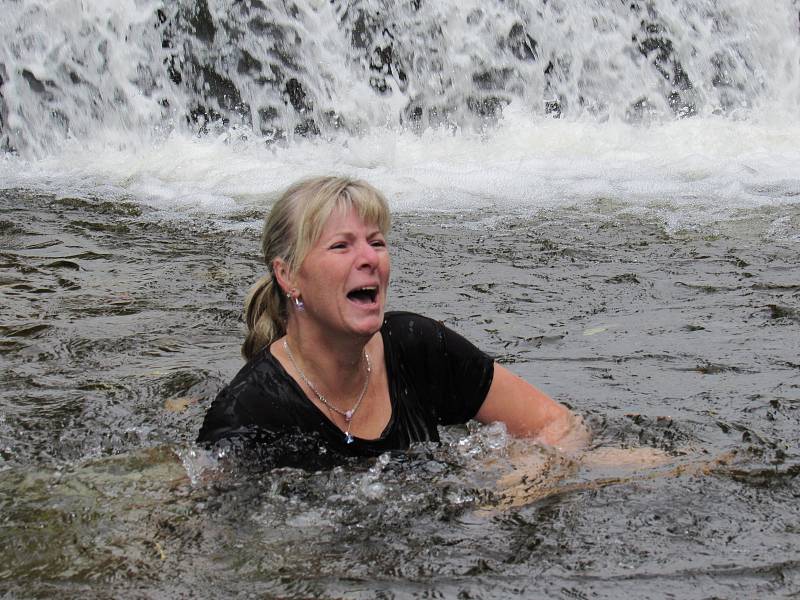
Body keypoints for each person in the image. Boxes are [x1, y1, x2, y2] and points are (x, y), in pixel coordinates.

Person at [197, 176, 589, 456]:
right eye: (341, 246)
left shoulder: (418, 346)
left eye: (377, 242)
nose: (369, 259)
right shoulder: (248, 414)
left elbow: (561, 427)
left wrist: (510, 488)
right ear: (288, 275)